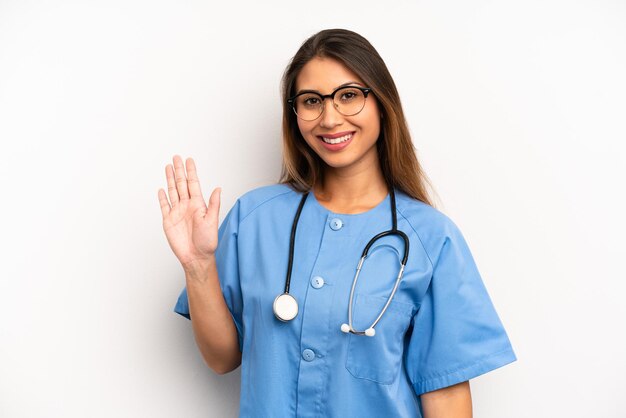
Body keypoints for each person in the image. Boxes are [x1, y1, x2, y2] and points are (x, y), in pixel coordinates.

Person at [158, 28, 516, 418]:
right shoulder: (254, 218)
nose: (329, 118)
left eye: (348, 96)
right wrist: (198, 266)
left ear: (381, 103)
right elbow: (222, 358)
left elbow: (446, 398)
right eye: (311, 101)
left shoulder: (431, 238)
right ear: (295, 115)